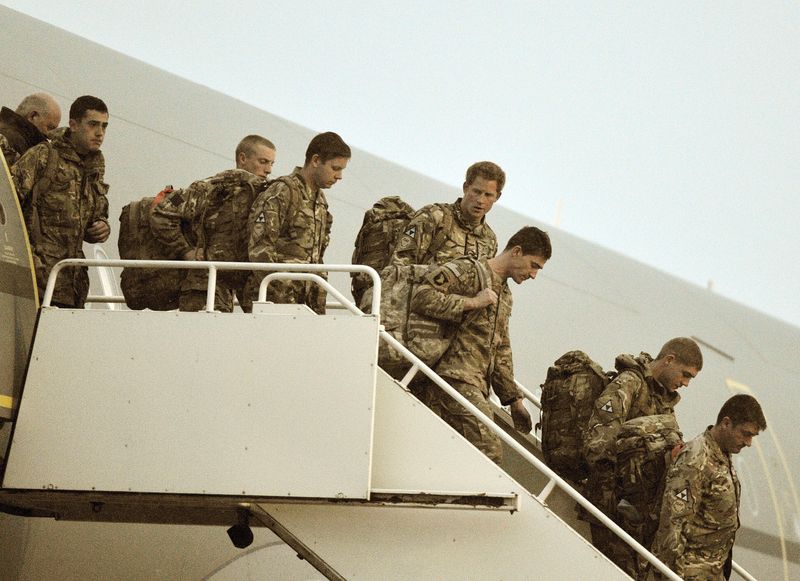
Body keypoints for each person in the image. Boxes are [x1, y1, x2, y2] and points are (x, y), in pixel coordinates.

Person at [409, 226, 551, 463]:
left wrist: (514, 401)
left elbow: (501, 348)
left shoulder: (505, 295)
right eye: (533, 265)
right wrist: (472, 302)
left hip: (476, 385)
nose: (533, 274)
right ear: (516, 251)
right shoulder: (469, 270)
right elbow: (421, 296)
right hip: (450, 377)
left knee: (451, 456)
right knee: (489, 450)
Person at [582, 337, 703, 575]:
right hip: (611, 506)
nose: (686, 383)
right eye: (686, 375)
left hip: (635, 512)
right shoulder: (630, 383)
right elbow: (598, 441)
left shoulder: (663, 401)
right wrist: (614, 499)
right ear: (669, 360)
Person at [149, 135, 275, 312]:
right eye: (263, 162)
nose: (268, 169)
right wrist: (185, 250)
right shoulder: (210, 188)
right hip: (205, 285)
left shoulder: (264, 196)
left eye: (271, 164)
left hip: (236, 283)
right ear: (243, 158)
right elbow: (161, 212)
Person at [652, 394, 766, 580]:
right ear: (726, 423)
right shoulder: (697, 458)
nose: (748, 443)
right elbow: (673, 523)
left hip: (711, 572)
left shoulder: (722, 456)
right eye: (746, 434)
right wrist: (671, 576)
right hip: (688, 572)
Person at [12, 95, 110, 308]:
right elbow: (8, 204)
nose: (100, 133)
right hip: (36, 282)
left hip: (71, 286)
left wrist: (102, 227)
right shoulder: (44, 156)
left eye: (104, 126)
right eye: (93, 124)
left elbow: (96, 214)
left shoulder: (93, 169)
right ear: (73, 125)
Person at [246, 131, 350, 314]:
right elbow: (260, 249)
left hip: (307, 304)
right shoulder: (282, 191)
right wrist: (281, 296)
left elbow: (316, 257)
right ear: (316, 160)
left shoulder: (320, 202)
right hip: (277, 303)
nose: (339, 176)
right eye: (335, 168)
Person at [390, 161, 504, 268]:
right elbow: (398, 266)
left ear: (497, 197)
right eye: (477, 192)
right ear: (466, 187)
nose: (480, 200)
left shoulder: (490, 240)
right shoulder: (434, 216)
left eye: (488, 195)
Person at [0, 93, 62, 166]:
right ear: (33, 116)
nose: (50, 135)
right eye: (50, 127)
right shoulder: (13, 141)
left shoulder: (10, 134)